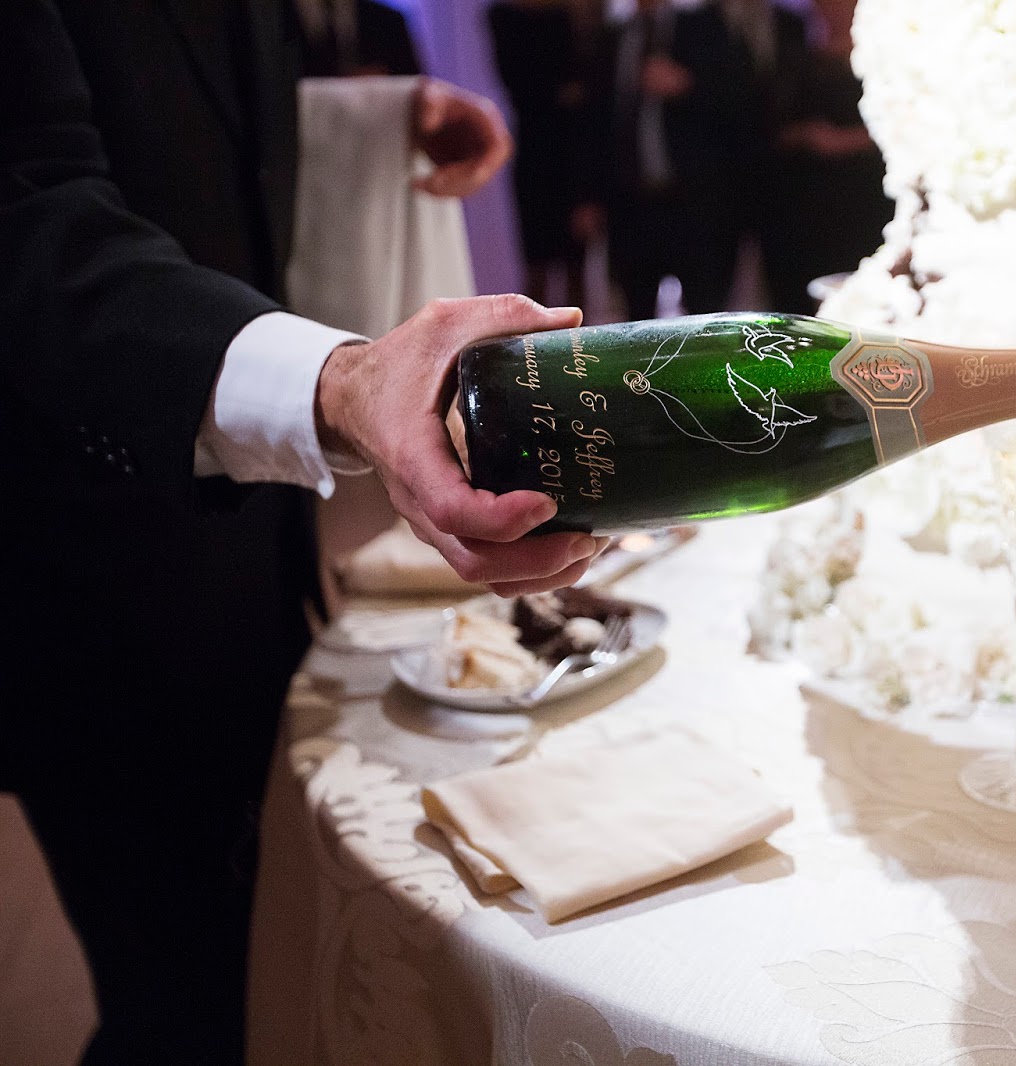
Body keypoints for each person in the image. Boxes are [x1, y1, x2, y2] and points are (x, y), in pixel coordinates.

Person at [0, 1, 599, 1060]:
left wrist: (377, 120)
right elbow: (27, 218)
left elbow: (183, 113)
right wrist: (345, 383)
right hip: (93, 578)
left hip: (252, 547)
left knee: (278, 944)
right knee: (185, 999)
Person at [576, 0, 756, 320]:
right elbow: (595, 124)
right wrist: (589, 196)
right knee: (635, 322)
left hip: (696, 205)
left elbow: (742, 100)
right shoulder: (613, 37)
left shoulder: (703, 27)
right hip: (632, 208)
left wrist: (688, 83)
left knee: (707, 318)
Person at [758, 0, 891, 313]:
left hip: (866, 198)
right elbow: (770, 127)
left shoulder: (882, 61)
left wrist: (844, 141)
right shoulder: (796, 58)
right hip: (809, 204)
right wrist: (806, 135)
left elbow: (902, 125)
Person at [488, 0, 597, 308]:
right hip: (535, 159)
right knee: (537, 267)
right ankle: (536, 338)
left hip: (573, 159)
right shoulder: (506, 18)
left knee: (575, 266)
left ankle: (578, 337)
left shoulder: (572, 17)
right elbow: (524, 87)